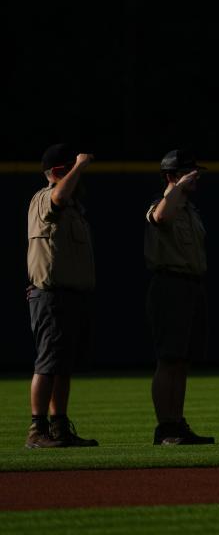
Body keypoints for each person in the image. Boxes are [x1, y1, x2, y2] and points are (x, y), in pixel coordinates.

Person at [25, 144, 99, 448]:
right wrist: (79, 166)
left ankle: (58, 427)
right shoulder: (47, 197)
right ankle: (37, 430)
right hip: (52, 296)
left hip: (70, 296)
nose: (79, 176)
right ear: (59, 172)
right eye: (71, 169)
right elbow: (57, 197)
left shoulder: (73, 208)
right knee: (48, 363)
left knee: (63, 365)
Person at [145, 150, 214, 446]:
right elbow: (161, 217)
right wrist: (176, 187)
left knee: (182, 361)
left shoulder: (190, 211)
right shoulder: (162, 205)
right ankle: (165, 427)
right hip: (169, 284)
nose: (196, 177)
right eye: (189, 172)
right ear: (173, 176)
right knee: (169, 359)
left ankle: (177, 422)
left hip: (191, 285)